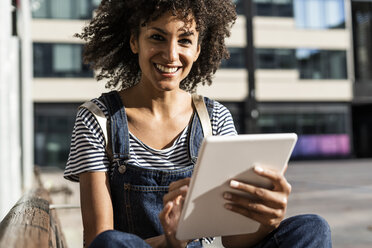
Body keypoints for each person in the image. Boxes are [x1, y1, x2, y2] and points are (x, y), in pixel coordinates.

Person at [64, 0, 332, 247]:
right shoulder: (97, 119)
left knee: (312, 228)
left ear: (198, 49)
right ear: (135, 41)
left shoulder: (215, 119)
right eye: (157, 37)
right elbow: (97, 241)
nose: (171, 55)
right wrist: (171, 242)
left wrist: (268, 218)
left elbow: (233, 240)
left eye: (184, 40)